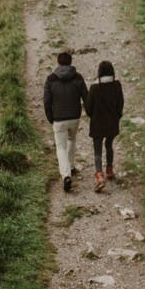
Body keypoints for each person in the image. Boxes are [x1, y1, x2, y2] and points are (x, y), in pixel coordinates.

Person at [43, 52, 88, 192]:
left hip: (58, 119)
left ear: (58, 62)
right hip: (74, 117)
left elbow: (46, 101)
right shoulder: (78, 77)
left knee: (60, 147)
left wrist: (51, 117)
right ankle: (71, 166)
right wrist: (89, 112)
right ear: (70, 62)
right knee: (72, 140)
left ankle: (66, 175)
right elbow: (86, 97)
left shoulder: (50, 79)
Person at [86, 60, 124, 192]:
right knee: (109, 145)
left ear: (99, 73)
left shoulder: (94, 88)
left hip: (97, 124)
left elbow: (88, 109)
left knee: (97, 150)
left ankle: (99, 175)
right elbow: (120, 104)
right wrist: (117, 116)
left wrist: (93, 116)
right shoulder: (117, 85)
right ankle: (110, 169)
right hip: (112, 123)